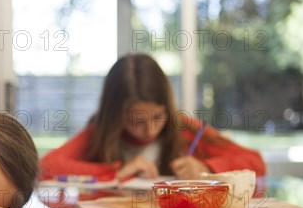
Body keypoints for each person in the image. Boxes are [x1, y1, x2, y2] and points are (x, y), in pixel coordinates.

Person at [40, 53, 266, 181]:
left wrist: (205, 167)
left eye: (158, 117)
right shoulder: (99, 132)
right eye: (137, 121)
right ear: (115, 115)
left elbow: (256, 163)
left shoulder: (184, 128)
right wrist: (115, 173)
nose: (149, 130)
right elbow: (47, 166)